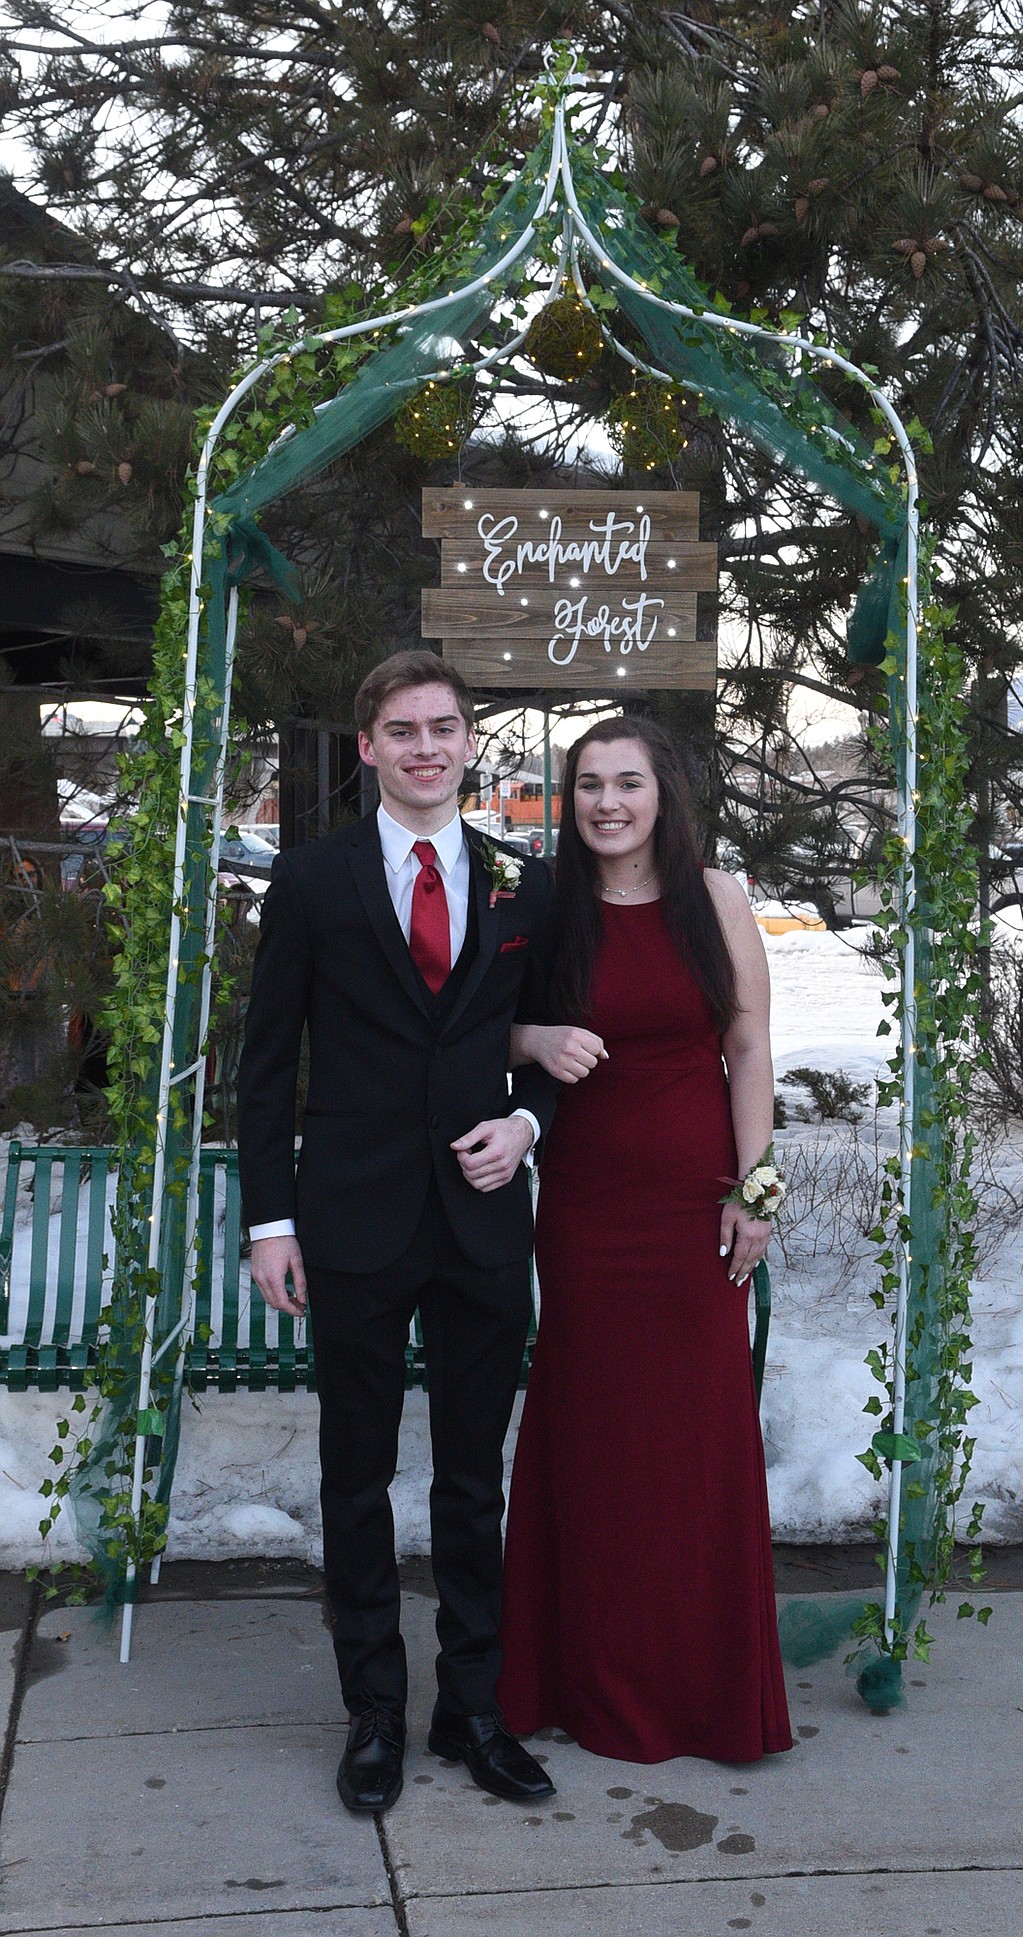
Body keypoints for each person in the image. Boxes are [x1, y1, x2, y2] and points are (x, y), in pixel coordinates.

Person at [236, 650, 559, 1814]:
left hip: (481, 1227)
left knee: (476, 1481)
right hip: (354, 1222)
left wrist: (526, 1122)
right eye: (403, 729)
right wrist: (269, 1219)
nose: (426, 746)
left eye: (446, 727)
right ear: (368, 746)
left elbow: (554, 1041)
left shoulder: (523, 883)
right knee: (357, 1476)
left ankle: (472, 1706)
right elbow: (267, 1066)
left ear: (471, 743)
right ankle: (373, 1707)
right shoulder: (314, 881)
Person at [498, 715, 793, 1763]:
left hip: (694, 1208)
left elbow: (751, 1045)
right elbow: (478, 1022)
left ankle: (704, 1688)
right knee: (596, 1438)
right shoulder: (546, 901)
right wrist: (533, 1036)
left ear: (664, 792)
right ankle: (581, 1678)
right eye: (588, 784)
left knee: (696, 1442)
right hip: (585, 1209)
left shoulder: (715, 900)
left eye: (626, 781)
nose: (607, 802)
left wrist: (757, 1188)